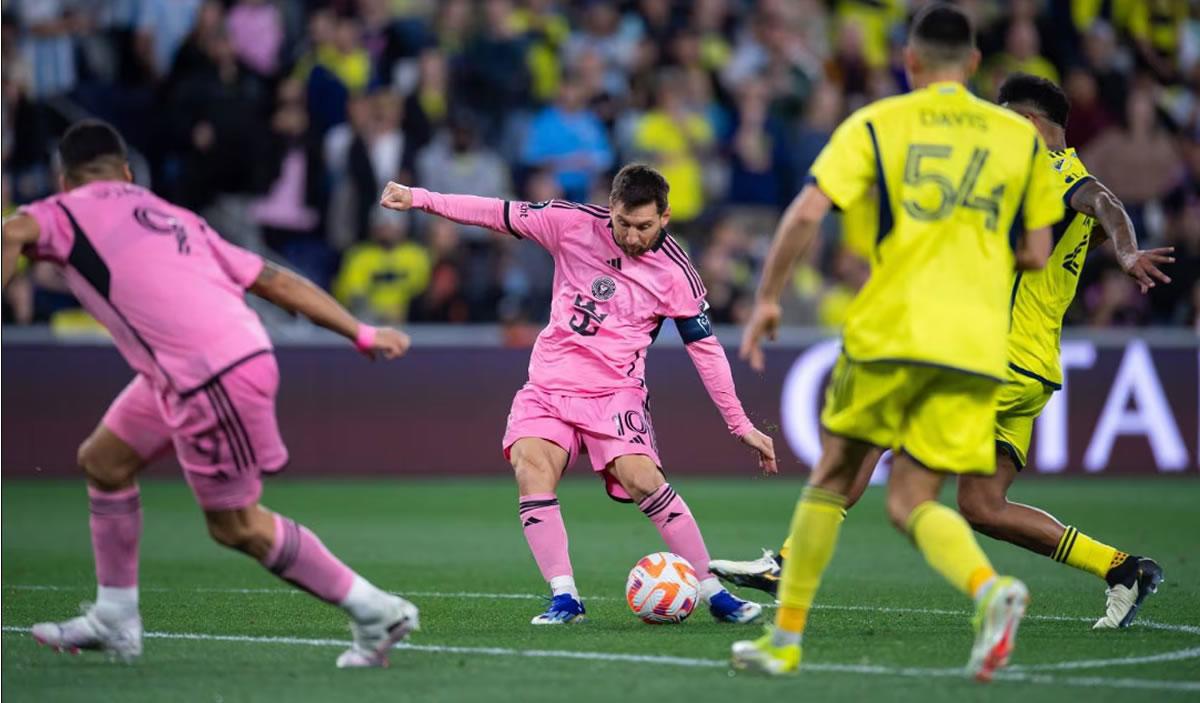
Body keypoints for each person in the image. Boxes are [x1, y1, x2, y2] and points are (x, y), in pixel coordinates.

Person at [711, 74, 1173, 632]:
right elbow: (1086, 220)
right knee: (984, 507)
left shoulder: (1050, 171)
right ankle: (1123, 569)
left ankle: (787, 566)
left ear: (1027, 125)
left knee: (867, 441)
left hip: (993, 358)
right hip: (1033, 369)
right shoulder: (1042, 191)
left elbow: (1102, 197)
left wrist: (1124, 252)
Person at [0, 120, 417, 668]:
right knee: (103, 461)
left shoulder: (61, 211)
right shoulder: (175, 218)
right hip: (210, 360)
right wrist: (360, 332)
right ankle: (116, 617)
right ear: (126, 173)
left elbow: (12, 233)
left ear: (64, 177)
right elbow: (274, 280)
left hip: (207, 374)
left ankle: (375, 610)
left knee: (236, 524)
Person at [730, 5, 1063, 681]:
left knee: (831, 477)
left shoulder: (879, 121)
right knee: (913, 498)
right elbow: (1035, 252)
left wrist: (766, 298)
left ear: (910, 62)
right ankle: (989, 588)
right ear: (973, 65)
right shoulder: (1018, 139)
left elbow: (805, 211)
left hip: (892, 330)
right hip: (975, 346)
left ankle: (784, 641)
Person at [379, 163, 777, 625]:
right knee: (530, 466)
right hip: (548, 387)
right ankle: (565, 598)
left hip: (615, 394)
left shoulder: (676, 273)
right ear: (611, 208)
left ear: (665, 218)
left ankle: (714, 595)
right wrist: (420, 198)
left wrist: (740, 424)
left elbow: (706, 353)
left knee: (643, 480)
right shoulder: (570, 223)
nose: (631, 236)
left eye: (644, 227)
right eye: (623, 223)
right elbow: (496, 212)